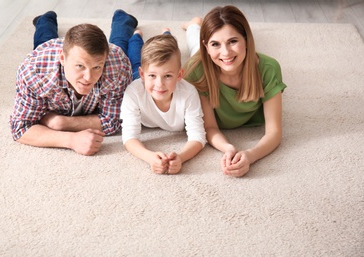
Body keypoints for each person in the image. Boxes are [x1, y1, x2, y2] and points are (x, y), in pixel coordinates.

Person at [9, 10, 141, 156]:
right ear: (62, 59)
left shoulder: (117, 65)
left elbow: (114, 120)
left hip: (110, 57)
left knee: (120, 43)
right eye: (80, 66)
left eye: (97, 67)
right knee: (44, 39)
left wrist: (60, 123)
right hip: (50, 61)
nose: (88, 77)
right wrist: (71, 140)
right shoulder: (35, 72)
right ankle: (45, 19)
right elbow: (20, 128)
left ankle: (123, 19)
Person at [183, 5, 287, 177]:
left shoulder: (269, 68)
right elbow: (209, 126)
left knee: (224, 55)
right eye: (215, 44)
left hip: (222, 59)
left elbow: (274, 132)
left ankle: (198, 28)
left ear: (246, 39)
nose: (226, 52)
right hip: (204, 62)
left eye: (233, 41)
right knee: (194, 45)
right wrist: (228, 148)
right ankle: (194, 25)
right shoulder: (195, 71)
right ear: (207, 47)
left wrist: (250, 155)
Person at [120, 30, 206, 174]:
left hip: (147, 82)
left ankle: (167, 34)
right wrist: (150, 157)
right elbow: (129, 137)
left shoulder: (189, 93)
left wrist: (181, 157)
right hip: (141, 83)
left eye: (167, 76)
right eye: (153, 75)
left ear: (179, 75)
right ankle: (137, 35)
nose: (159, 84)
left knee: (190, 56)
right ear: (143, 75)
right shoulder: (133, 92)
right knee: (135, 59)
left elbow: (198, 136)